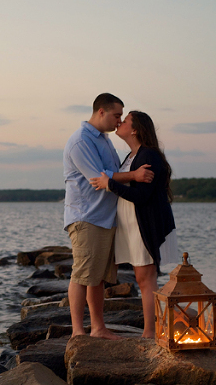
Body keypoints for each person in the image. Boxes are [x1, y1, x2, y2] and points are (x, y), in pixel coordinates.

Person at [63, 94, 154, 339]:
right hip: (87, 217)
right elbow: (99, 177)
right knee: (82, 274)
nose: (119, 121)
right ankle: (78, 332)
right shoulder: (81, 141)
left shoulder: (102, 139)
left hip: (104, 218)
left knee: (97, 277)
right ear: (101, 112)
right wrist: (134, 176)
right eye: (116, 115)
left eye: (122, 117)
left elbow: (112, 172)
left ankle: (98, 328)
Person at [90, 111, 177, 339]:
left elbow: (142, 197)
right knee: (142, 277)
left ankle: (150, 332)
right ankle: (152, 329)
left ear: (135, 129)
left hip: (143, 223)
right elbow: (131, 184)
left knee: (146, 278)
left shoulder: (149, 155)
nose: (120, 122)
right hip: (131, 224)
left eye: (125, 120)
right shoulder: (132, 155)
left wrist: (110, 184)